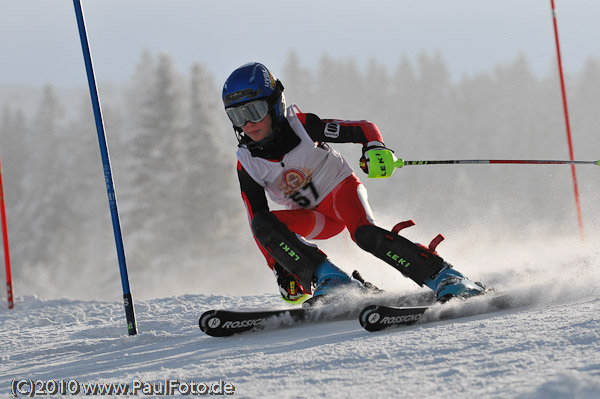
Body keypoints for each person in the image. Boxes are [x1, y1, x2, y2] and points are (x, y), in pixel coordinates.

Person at [222, 62, 485, 305]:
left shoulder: (302, 127)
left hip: (340, 192)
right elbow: (258, 224)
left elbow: (363, 128)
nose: (247, 123)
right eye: (237, 116)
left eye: (254, 111)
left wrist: (374, 148)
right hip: (313, 218)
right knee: (263, 223)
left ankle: (447, 276)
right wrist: (281, 268)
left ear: (274, 105)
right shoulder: (247, 162)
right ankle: (332, 280)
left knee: (364, 234)